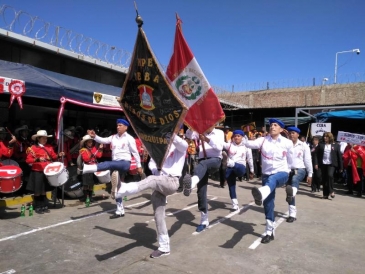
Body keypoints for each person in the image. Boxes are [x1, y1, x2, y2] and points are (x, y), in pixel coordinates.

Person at [114, 134, 188, 258]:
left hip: (171, 181)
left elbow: (184, 145)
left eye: (165, 138)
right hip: (159, 184)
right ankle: (164, 248)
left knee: (151, 179)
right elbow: (151, 165)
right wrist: (157, 168)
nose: (163, 141)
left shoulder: (178, 148)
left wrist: (172, 135)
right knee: (159, 216)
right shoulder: (157, 151)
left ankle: (123, 189)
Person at [242, 118, 292, 244]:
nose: (272, 127)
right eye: (271, 125)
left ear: (281, 129)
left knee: (273, 179)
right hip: (266, 175)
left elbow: (290, 160)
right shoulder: (263, 140)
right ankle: (270, 231)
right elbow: (248, 144)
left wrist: (289, 172)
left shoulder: (287, 143)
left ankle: (262, 193)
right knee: (268, 204)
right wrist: (245, 135)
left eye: (275, 125)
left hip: (282, 173)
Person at [83, 119, 143, 219]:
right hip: (115, 165)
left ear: (126, 127)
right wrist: (94, 136)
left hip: (124, 163)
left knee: (107, 164)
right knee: (116, 188)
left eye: (120, 125)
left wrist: (139, 166)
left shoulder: (129, 138)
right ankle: (120, 210)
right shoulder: (113, 137)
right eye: (117, 125)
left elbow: (135, 153)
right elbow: (103, 140)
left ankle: (89, 168)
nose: (118, 127)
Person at [182, 125, 224, 232]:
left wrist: (206, 139)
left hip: (215, 160)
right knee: (201, 190)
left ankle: (191, 183)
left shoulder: (219, 132)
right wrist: (192, 126)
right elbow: (188, 135)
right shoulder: (200, 131)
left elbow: (219, 147)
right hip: (202, 162)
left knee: (203, 164)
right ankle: (204, 220)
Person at [26, 130, 65, 214]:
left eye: (46, 138)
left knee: (44, 190)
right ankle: (38, 206)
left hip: (47, 171)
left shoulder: (49, 147)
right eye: (43, 138)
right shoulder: (33, 148)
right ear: (38, 139)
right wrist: (37, 159)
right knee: (37, 190)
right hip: (37, 171)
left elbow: (53, 157)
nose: (45, 140)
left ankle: (44, 205)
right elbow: (28, 160)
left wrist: (59, 155)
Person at [285, 126, 313, 223]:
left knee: (294, 181)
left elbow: (308, 160)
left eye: (293, 133)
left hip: (300, 169)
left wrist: (310, 174)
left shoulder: (303, 146)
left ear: (298, 134)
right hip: (288, 170)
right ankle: (292, 214)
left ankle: (292, 193)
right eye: (290, 133)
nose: (291, 134)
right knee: (290, 191)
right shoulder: (285, 144)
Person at [224, 129, 254, 210]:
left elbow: (250, 158)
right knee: (231, 186)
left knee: (236, 166)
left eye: (238, 136)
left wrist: (252, 170)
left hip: (241, 168)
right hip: (230, 168)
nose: (236, 138)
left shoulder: (246, 146)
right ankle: (235, 204)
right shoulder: (229, 145)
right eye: (235, 136)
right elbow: (219, 145)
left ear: (242, 137)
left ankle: (229, 163)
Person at [313, 132, 343, 199]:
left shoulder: (336, 145)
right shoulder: (321, 145)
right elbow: (315, 154)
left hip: (331, 164)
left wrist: (341, 167)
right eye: (324, 136)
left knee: (330, 175)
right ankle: (325, 194)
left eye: (326, 137)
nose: (325, 138)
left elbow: (339, 156)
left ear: (330, 137)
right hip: (323, 163)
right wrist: (316, 163)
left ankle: (331, 191)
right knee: (324, 178)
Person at [79, 135, 103, 202]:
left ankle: (90, 197)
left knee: (91, 184)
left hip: (93, 168)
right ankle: (86, 197)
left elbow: (99, 155)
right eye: (89, 142)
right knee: (86, 184)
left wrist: (100, 149)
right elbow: (86, 159)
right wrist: (92, 154)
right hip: (87, 168)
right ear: (86, 143)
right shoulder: (83, 150)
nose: (91, 143)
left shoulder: (93, 149)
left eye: (91, 142)